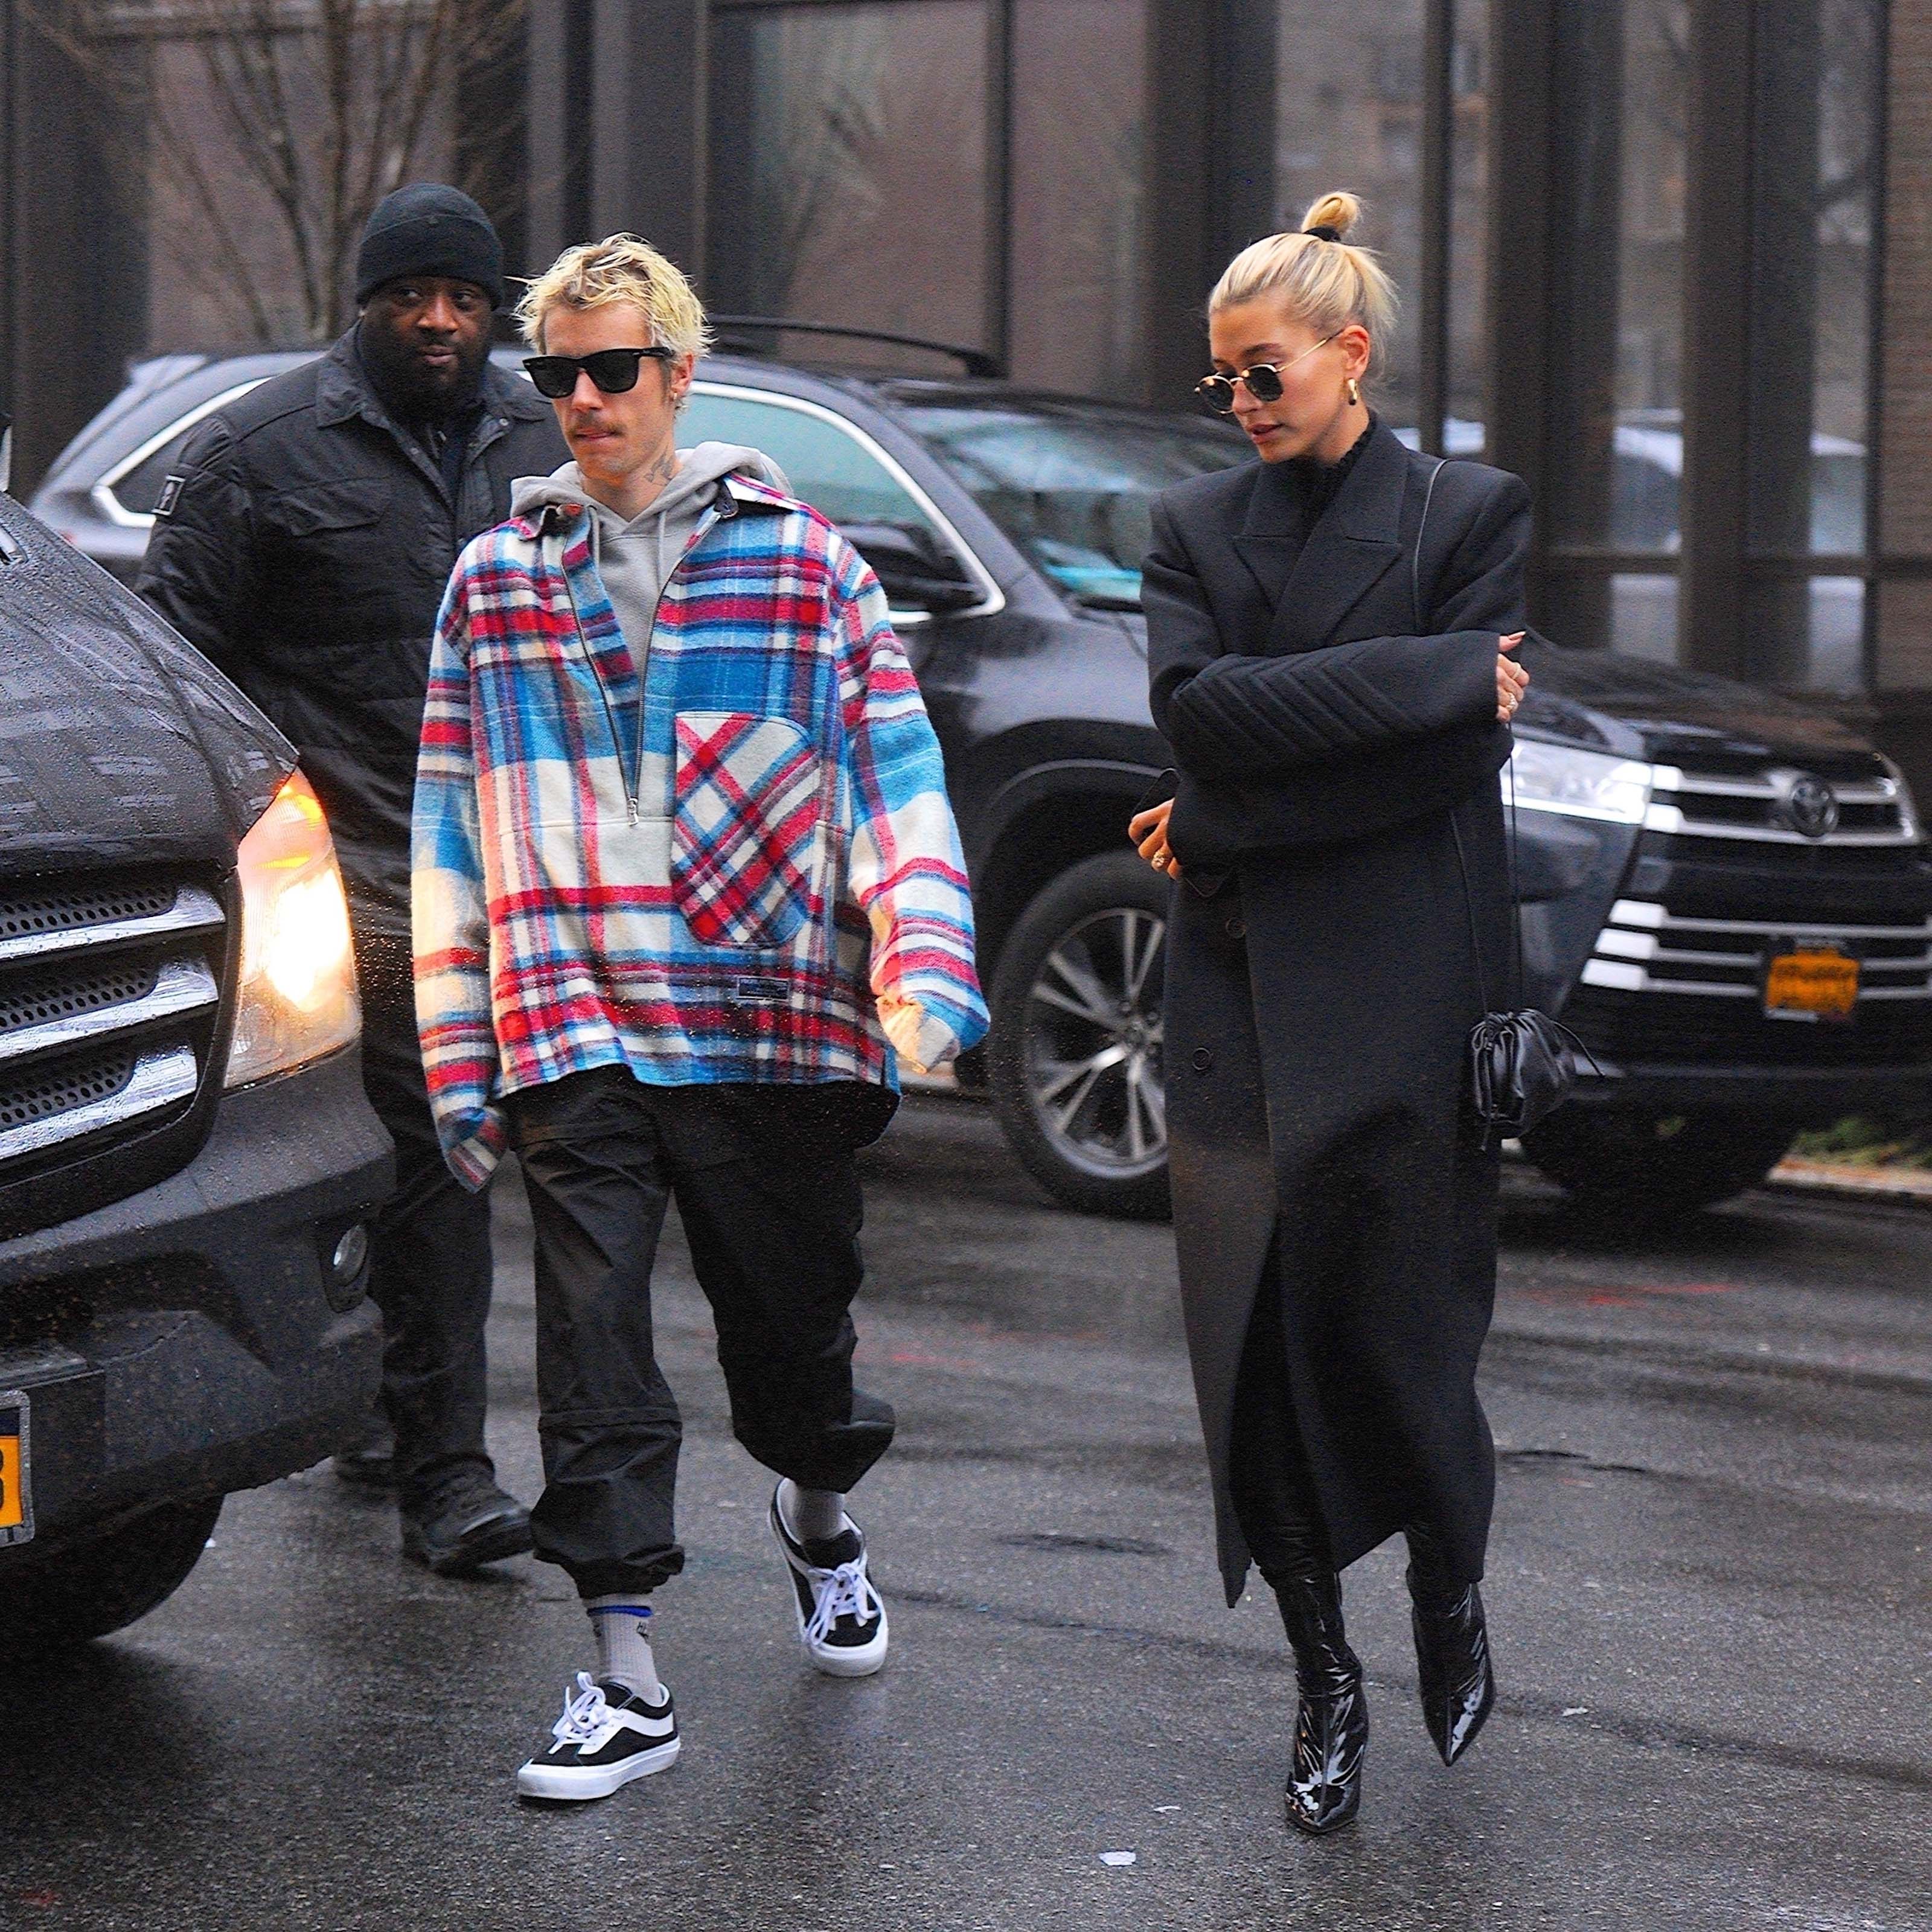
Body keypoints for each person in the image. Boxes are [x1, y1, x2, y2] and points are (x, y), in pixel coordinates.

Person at [412, 233, 987, 1801]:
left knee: (791, 1341)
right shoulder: (496, 584)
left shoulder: (806, 566)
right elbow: (450, 824)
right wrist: (459, 1052)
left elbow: (899, 778)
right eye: (559, 374)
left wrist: (925, 967)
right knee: (591, 1349)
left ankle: (815, 1508)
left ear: (679, 372)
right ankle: (624, 1674)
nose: (585, 399)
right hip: (572, 1014)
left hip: (769, 1026)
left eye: (614, 368)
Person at [1130, 191, 1532, 1835]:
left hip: (1406, 991)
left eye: (1268, 369)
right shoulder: (1194, 528)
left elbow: (1451, 761)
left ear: (1350, 352)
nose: (1244, 400)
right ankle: (1326, 1681)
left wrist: (1220, 812)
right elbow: (1192, 712)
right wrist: (1429, 676)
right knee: (1254, 1362)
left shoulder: (1468, 508)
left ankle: (1448, 1580)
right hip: (1240, 1000)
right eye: (1225, 379)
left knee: (1402, 1337)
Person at [137, 183, 568, 1576]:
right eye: (408, 295)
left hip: (522, 871)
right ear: (363, 300)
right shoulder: (260, 453)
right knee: (445, 1150)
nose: (437, 320)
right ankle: (451, 1479)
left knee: (448, 1163)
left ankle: (390, 1411)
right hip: (355, 881)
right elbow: (175, 671)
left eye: (463, 297)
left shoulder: (547, 437)